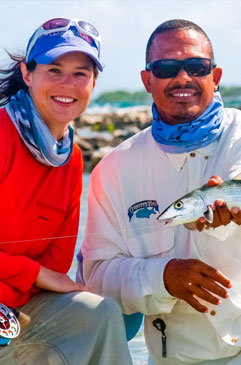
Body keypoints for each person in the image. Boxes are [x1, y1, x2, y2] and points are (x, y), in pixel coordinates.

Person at [78, 19, 241, 364]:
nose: (183, 77)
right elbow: (96, 276)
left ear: (215, 76)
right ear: (147, 80)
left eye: (197, 66)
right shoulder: (115, 167)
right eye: (167, 67)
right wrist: (162, 277)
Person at [0, 18, 132, 365]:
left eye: (80, 73)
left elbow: (56, 265)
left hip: (15, 308)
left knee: (99, 311)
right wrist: (35, 274)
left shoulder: (71, 158)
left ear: (94, 83)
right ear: (27, 74)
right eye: (54, 69)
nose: (67, 84)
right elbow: (46, 274)